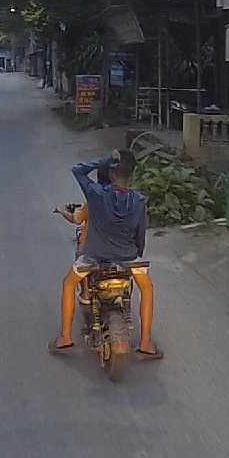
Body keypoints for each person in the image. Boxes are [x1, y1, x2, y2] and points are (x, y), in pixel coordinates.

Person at [49, 151, 162, 360]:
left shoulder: (96, 194)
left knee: (69, 284)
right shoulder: (139, 201)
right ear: (132, 174)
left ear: (110, 173)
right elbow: (140, 235)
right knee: (147, 288)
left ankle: (65, 338)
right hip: (128, 257)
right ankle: (146, 343)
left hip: (94, 257)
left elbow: (78, 170)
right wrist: (135, 255)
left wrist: (105, 161)